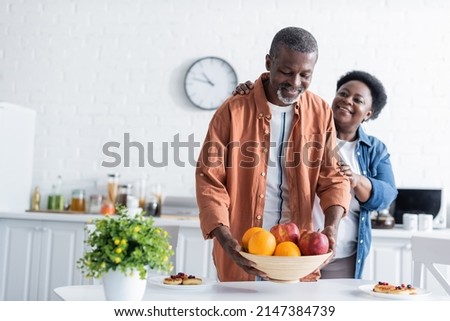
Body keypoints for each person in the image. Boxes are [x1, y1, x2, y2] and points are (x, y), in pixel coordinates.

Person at [195, 26, 351, 282]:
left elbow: (332, 177)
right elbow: (209, 181)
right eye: (287, 72)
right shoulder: (233, 111)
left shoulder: (321, 112)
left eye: (305, 75)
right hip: (242, 253)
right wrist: (225, 239)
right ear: (269, 62)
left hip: (298, 258)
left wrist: (331, 228)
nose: (295, 83)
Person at [234, 70, 398, 279]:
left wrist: (357, 180)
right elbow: (280, 97)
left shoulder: (374, 149)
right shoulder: (302, 129)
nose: (347, 101)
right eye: (343, 93)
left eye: (357, 100)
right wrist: (253, 92)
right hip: (294, 253)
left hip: (343, 257)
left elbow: (387, 196)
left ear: (368, 113)